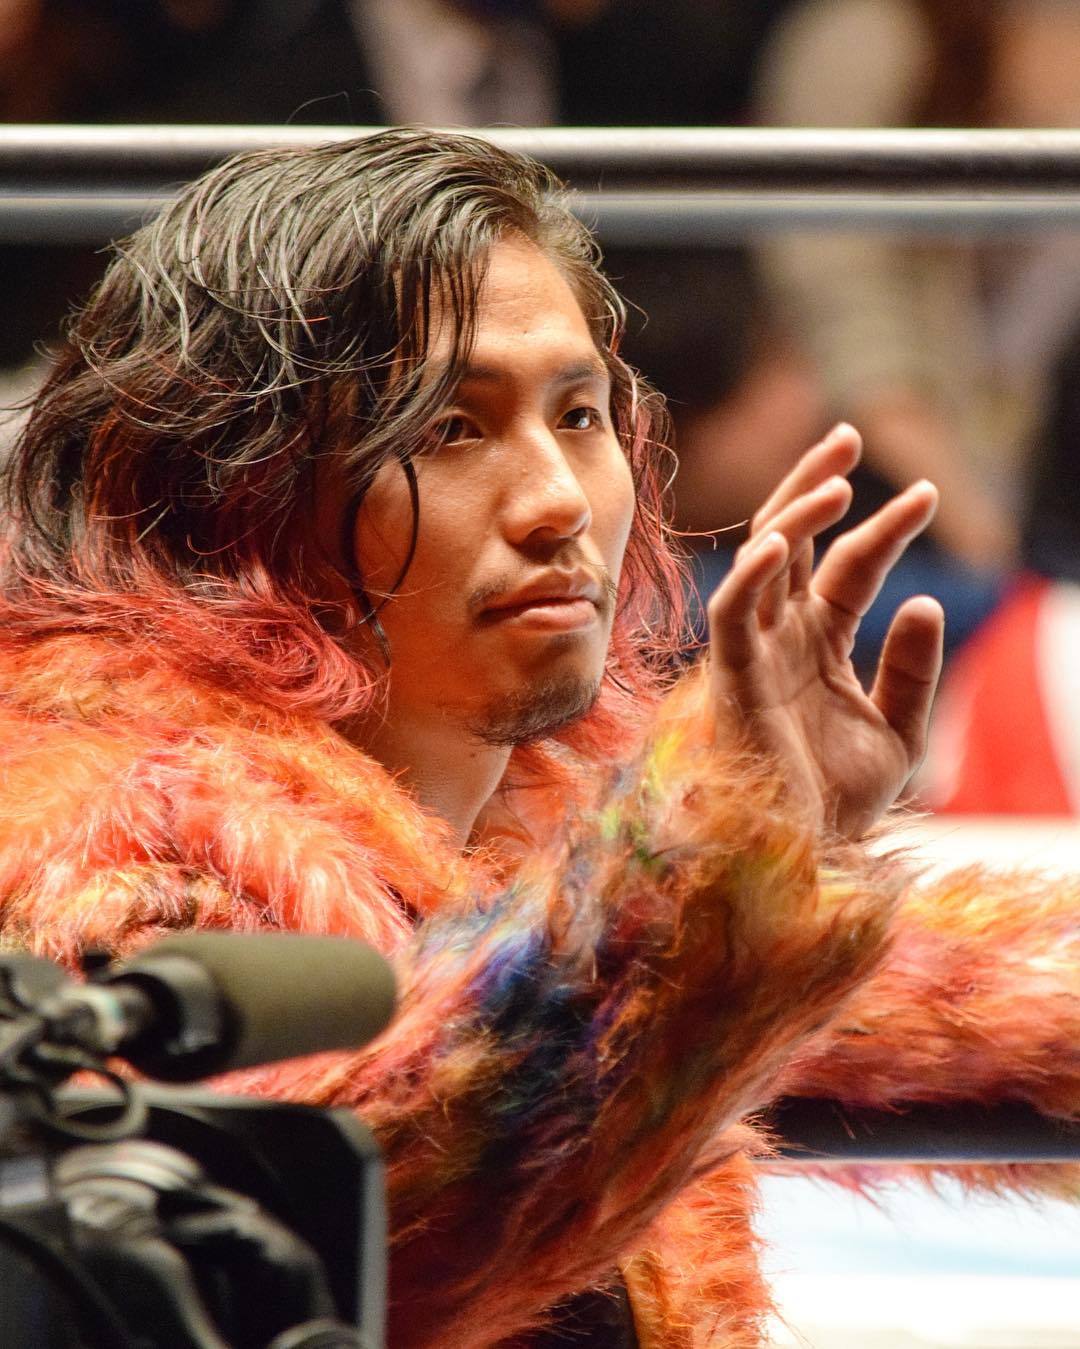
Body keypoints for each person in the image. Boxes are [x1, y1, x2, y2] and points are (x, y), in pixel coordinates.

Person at [1, 129, 1079, 1349]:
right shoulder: (110, 836)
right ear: (230, 486)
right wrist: (711, 864)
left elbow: (956, 1010)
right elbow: (344, 1226)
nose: (561, 499)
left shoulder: (546, 821)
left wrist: (762, 853)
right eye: (451, 429)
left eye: (579, 414)